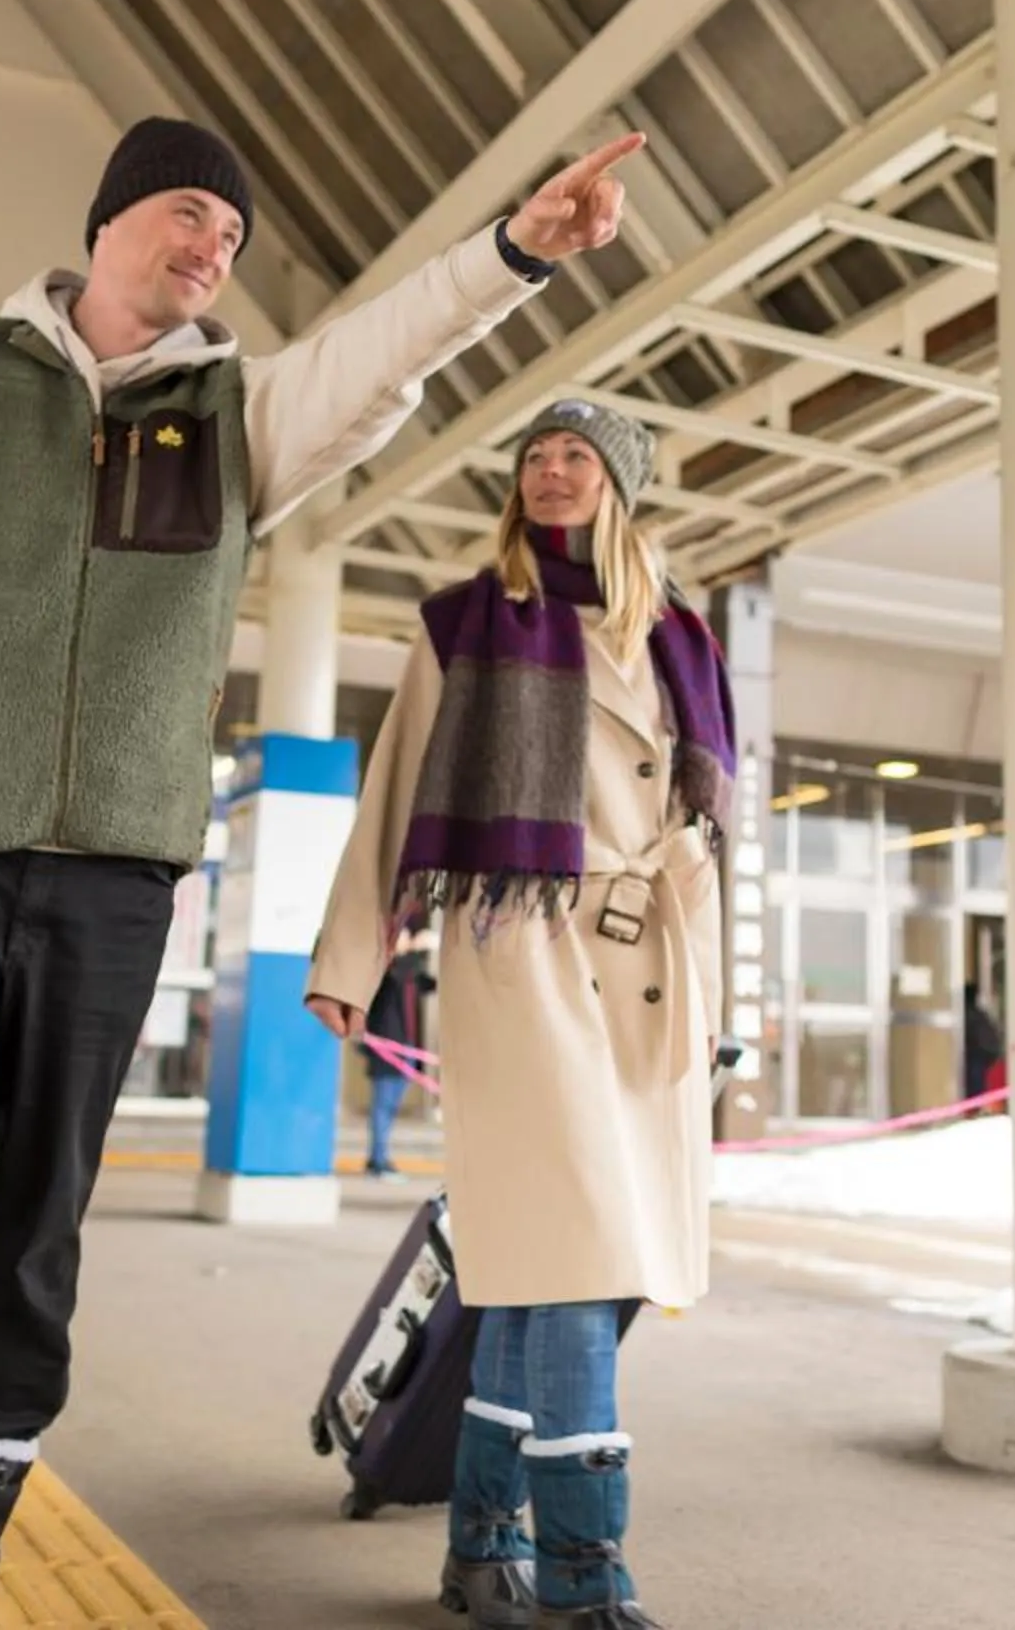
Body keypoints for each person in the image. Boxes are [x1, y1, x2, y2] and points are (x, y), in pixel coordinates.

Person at [0, 118, 644, 1630]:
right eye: (191, 216)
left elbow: (381, 351)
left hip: (112, 875)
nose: (212, 252)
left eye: (234, 241)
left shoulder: (237, 416)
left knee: (33, 1218)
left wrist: (515, 252)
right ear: (113, 220)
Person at [305, 396, 732, 1630]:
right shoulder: (468, 622)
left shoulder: (684, 639)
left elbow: (711, 831)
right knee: (575, 1255)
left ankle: (484, 1541)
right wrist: (353, 955)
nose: (553, 472)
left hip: (654, 965)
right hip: (524, 951)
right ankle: (587, 1580)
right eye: (538, 456)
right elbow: (394, 797)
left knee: (561, 1274)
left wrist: (716, 992)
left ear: (619, 484)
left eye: (578, 456)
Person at [363, 933, 437, 1178]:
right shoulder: (385, 970)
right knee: (383, 1105)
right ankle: (377, 1159)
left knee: (391, 1106)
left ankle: (380, 1155)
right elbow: (399, 972)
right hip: (387, 1048)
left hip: (407, 1049)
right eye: (401, 938)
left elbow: (428, 982)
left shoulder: (410, 974)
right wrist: (415, 947)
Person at [961, 978, 1004, 1104]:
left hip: (977, 1057)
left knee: (974, 1087)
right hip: (985, 1055)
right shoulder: (980, 1014)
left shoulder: (969, 1015)